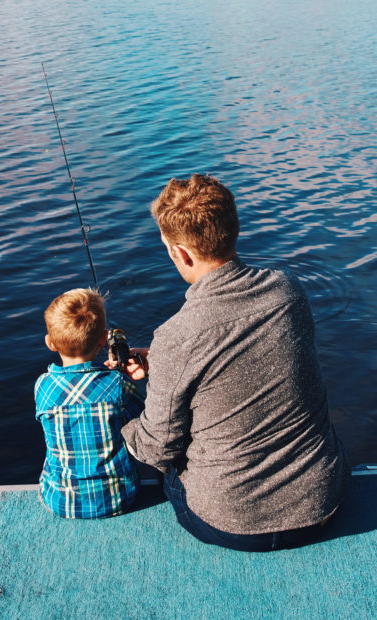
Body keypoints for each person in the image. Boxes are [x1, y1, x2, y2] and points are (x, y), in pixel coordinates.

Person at [119, 174, 349, 551]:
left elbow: (157, 451)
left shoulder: (177, 335)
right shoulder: (289, 291)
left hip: (232, 523)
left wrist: (127, 425)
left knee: (162, 457)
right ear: (233, 230)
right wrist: (161, 364)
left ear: (182, 254)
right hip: (323, 502)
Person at [35, 288, 144, 518]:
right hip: (120, 497)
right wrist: (119, 376)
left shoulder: (42, 387)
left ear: (50, 343)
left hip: (59, 500)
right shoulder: (118, 385)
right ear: (105, 340)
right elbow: (142, 416)